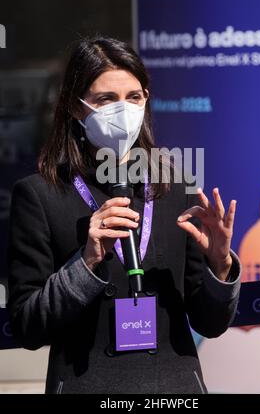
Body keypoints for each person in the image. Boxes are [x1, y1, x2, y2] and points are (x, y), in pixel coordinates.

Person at [7, 35, 241, 394]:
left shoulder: (175, 187)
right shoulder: (40, 195)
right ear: (75, 106)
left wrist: (220, 264)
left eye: (133, 97)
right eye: (106, 99)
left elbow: (210, 324)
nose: (123, 110)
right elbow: (27, 326)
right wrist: (84, 264)